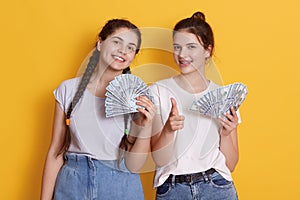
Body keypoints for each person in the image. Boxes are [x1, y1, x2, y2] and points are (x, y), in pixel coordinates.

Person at [41, 19, 156, 200]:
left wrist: (146, 126)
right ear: (100, 43)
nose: (122, 51)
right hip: (72, 184)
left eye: (130, 47)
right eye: (117, 42)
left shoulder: (135, 98)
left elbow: (134, 166)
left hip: (120, 186)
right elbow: (55, 153)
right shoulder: (67, 90)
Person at [150, 11, 240, 200]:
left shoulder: (224, 97)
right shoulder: (158, 91)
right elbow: (159, 160)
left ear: (208, 50)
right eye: (177, 47)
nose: (182, 55)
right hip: (173, 190)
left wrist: (226, 133)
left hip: (217, 187)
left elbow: (230, 164)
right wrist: (168, 130)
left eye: (191, 47)